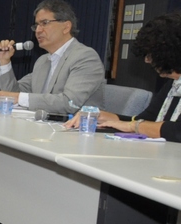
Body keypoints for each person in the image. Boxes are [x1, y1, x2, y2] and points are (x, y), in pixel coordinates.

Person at [66, 11, 181, 139]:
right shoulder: (173, 85)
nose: (147, 61)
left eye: (151, 54)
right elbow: (143, 120)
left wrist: (132, 126)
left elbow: (177, 131)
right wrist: (105, 117)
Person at [0, 0, 106, 113]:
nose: (38, 30)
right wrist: (4, 62)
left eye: (44, 23)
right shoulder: (43, 61)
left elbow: (70, 103)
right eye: (36, 25)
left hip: (75, 130)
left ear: (66, 27)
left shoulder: (85, 57)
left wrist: (20, 98)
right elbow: (13, 94)